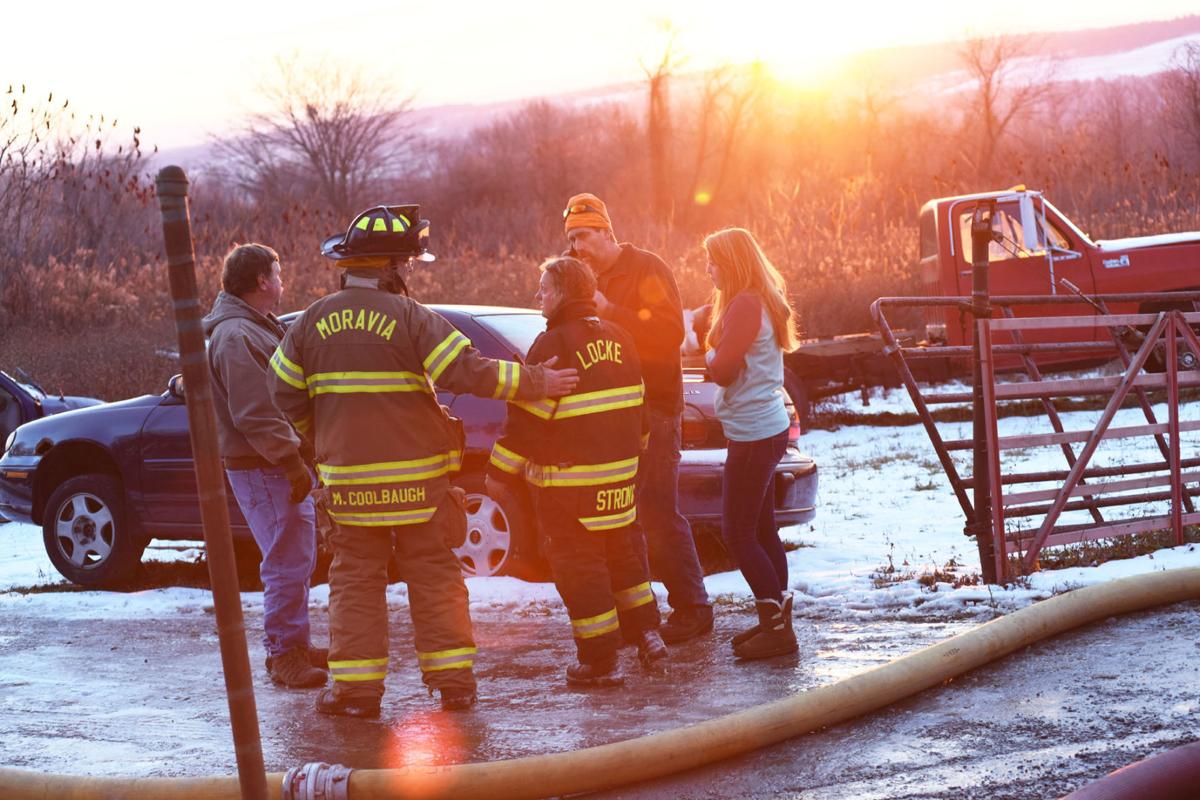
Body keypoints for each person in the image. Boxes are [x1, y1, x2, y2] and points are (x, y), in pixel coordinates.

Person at [269, 205, 578, 718]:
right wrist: (536, 383)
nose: (410, 275)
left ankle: (356, 694)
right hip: (421, 483)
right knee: (434, 575)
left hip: (350, 486)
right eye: (408, 266)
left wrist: (322, 435)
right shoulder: (411, 318)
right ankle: (454, 685)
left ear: (350, 265)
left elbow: (282, 392)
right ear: (390, 267)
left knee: (355, 580)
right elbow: (466, 371)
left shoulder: (308, 324)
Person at [485, 257, 668, 686]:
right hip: (620, 484)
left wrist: (498, 474)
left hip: (568, 490)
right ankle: (647, 635)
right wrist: (629, 461)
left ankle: (600, 662)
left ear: (564, 292)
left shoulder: (553, 345)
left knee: (580, 571)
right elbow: (640, 412)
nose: (539, 298)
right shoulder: (622, 337)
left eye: (544, 290)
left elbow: (527, 420)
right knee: (626, 561)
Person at [562, 192, 713, 644]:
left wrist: (611, 311)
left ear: (607, 231)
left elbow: (669, 332)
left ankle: (693, 609)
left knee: (658, 513)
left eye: (583, 235)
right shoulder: (583, 278)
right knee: (624, 516)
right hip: (613, 415)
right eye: (570, 238)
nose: (576, 246)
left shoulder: (647, 268)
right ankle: (639, 617)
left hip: (656, 409)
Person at [202, 243, 328, 689]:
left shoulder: (252, 328)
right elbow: (256, 411)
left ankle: (294, 642)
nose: (282, 279)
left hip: (269, 464)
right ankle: (284, 654)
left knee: (294, 557)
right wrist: (292, 462)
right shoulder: (238, 336)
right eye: (278, 271)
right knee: (286, 560)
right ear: (261, 281)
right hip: (264, 466)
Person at [702, 228, 801, 660]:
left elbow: (722, 371)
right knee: (761, 529)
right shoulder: (760, 299)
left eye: (713, 261)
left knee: (737, 533)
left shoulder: (745, 304)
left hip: (754, 434)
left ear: (732, 263)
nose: (708, 270)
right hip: (763, 428)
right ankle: (775, 619)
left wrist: (704, 355)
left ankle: (777, 630)